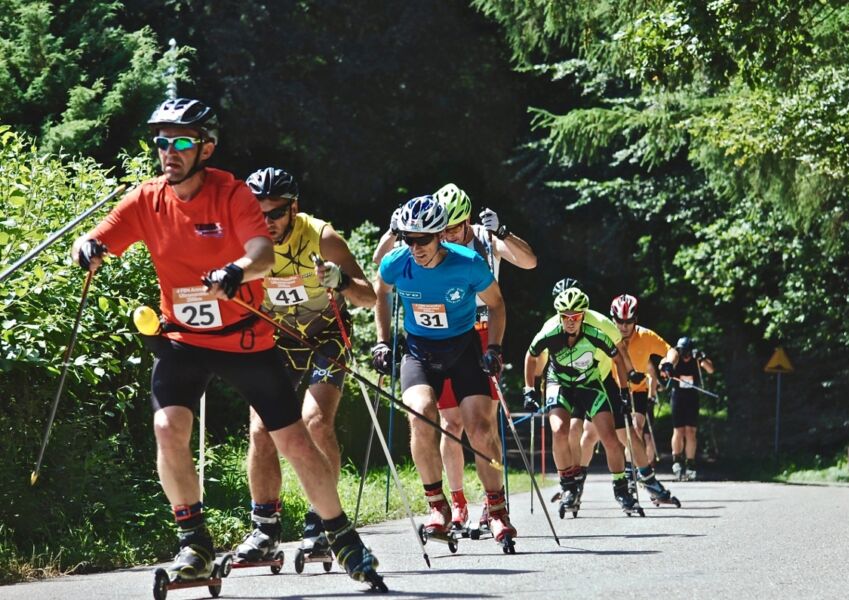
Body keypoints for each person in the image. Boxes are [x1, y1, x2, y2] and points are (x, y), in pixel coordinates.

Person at [71, 98, 382, 588]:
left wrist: (237, 269)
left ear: (206, 147)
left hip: (245, 340)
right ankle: (194, 543)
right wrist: (87, 248)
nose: (167, 150)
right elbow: (99, 237)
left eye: (181, 141)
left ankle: (341, 536)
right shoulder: (146, 200)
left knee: (295, 439)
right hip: (183, 339)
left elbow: (260, 252)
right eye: (161, 140)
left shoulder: (233, 194)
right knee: (166, 425)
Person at [234, 167, 375, 562]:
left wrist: (341, 282)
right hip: (277, 340)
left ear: (294, 207)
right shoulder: (243, 239)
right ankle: (264, 530)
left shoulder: (322, 237)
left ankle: (322, 524)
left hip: (326, 338)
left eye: (275, 213)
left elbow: (370, 297)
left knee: (315, 422)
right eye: (258, 213)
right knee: (262, 429)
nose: (267, 222)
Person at [371, 195, 517, 547]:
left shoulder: (468, 262)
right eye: (408, 238)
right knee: (420, 415)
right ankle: (438, 507)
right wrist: (381, 341)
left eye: (423, 239)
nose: (415, 247)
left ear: (439, 235)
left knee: (480, 430)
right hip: (420, 352)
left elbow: (497, 305)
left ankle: (496, 510)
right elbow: (380, 293)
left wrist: (494, 347)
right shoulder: (396, 263)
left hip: (464, 349)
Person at [431, 183, 537, 533]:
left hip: (482, 333)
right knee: (450, 424)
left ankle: (492, 504)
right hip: (446, 333)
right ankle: (458, 502)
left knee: (483, 427)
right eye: (444, 227)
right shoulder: (431, 240)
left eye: (456, 226)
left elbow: (529, 262)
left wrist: (502, 230)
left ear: (469, 220)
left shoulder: (485, 238)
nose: (449, 234)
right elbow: (384, 261)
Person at [522, 287, 645, 515]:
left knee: (609, 438)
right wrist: (528, 389)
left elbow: (617, 358)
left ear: (583, 315)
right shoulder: (550, 332)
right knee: (560, 431)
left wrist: (624, 392)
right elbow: (530, 356)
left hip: (589, 382)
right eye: (566, 317)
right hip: (559, 382)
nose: (571, 322)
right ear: (560, 316)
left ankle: (621, 489)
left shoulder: (594, 332)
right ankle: (568, 486)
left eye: (576, 316)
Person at [608, 294, 679, 487]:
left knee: (636, 427)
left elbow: (671, 351)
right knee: (603, 434)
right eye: (620, 322)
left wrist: (668, 364)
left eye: (629, 322)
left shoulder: (646, 336)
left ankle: (631, 472)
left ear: (635, 319)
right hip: (613, 387)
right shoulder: (606, 335)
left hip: (638, 389)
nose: (624, 327)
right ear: (613, 319)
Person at [663, 336, 715, 481]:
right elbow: (664, 363)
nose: (685, 356)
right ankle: (677, 460)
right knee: (678, 430)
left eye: (688, 352)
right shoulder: (676, 357)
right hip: (677, 397)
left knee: (691, 431)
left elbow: (710, 370)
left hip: (692, 397)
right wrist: (666, 368)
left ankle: (690, 463)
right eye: (683, 352)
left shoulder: (696, 359)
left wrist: (703, 358)